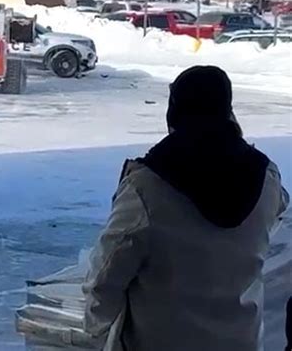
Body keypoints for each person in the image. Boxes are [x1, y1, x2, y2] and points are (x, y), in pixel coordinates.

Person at [84, 65, 289, 351]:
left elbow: (107, 274)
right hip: (241, 342)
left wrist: (96, 328)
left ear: (174, 112)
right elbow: (280, 211)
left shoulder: (147, 187)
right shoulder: (267, 179)